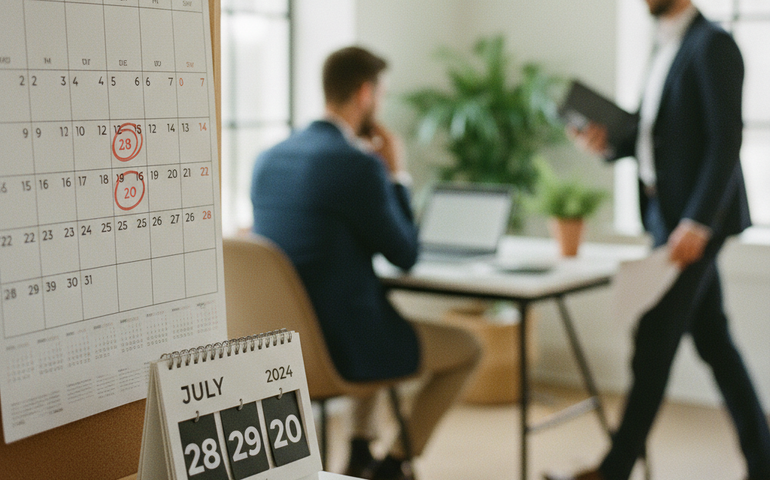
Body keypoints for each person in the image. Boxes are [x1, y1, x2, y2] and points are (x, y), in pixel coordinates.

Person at [546, 1, 770, 480]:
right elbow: (654, 137)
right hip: (662, 215)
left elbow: (725, 139)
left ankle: (614, 471)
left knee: (654, 339)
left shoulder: (713, 44)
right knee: (714, 341)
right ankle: (764, 460)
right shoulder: (664, 45)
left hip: (692, 225)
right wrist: (607, 143)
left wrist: (698, 222)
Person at [251, 46, 480, 480]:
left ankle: (359, 449)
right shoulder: (358, 166)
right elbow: (406, 255)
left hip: (280, 348)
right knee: (469, 349)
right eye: (383, 95)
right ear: (365, 94)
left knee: (368, 306)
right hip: (343, 348)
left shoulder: (268, 160)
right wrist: (397, 173)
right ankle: (392, 464)